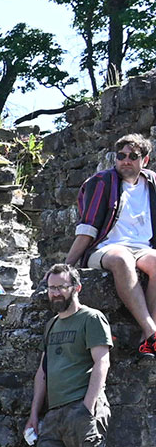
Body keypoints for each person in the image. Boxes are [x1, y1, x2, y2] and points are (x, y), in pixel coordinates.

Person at [25, 263, 112, 447]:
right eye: (51, 287)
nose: (56, 292)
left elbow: (102, 363)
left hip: (83, 410)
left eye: (62, 286)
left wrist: (88, 406)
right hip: (54, 414)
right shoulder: (51, 325)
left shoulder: (91, 318)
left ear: (76, 287)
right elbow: (43, 372)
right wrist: (35, 413)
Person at [66, 132, 156, 356]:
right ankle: (152, 330)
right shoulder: (102, 182)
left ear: (144, 160)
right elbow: (87, 228)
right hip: (105, 247)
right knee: (122, 258)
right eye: (121, 155)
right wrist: (67, 266)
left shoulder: (153, 183)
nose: (126, 160)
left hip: (143, 249)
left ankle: (148, 339)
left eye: (133, 156)